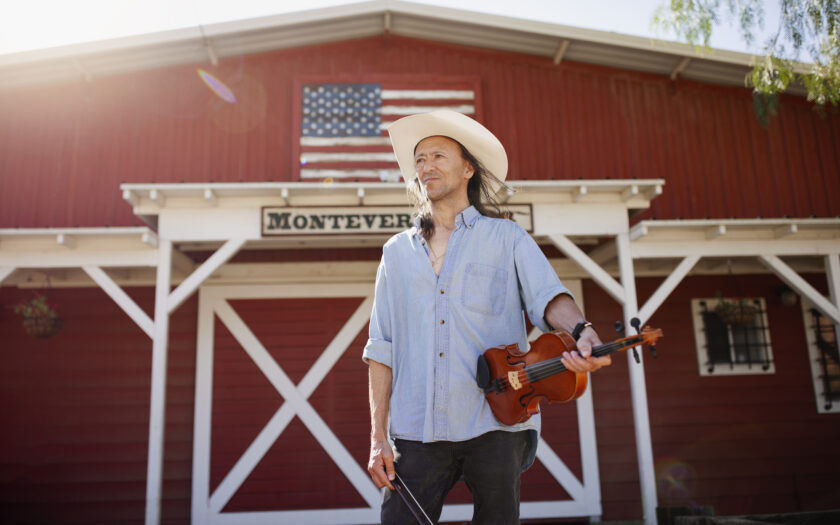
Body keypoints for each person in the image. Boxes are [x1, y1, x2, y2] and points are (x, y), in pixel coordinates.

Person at [363, 109, 611, 524]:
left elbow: (549, 299)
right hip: (416, 429)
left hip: (496, 423)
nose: (426, 166)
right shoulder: (395, 254)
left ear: (467, 169)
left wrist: (582, 331)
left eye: (439, 156)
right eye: (420, 159)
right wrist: (377, 438)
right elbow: (380, 349)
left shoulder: (507, 238)